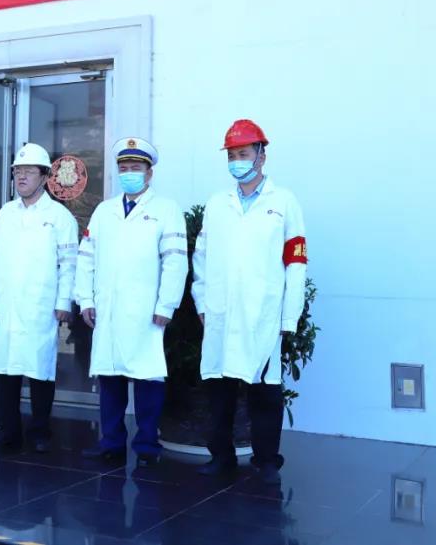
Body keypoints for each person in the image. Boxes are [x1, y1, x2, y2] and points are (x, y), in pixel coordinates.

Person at [193, 119, 307, 485]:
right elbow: (202, 257)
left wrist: (289, 317)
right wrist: (202, 302)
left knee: (264, 391)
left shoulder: (283, 202)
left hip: (263, 313)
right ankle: (221, 457)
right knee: (219, 389)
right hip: (221, 312)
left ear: (262, 155)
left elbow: (296, 263)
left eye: (243, 153)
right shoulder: (217, 203)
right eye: (232, 155)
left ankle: (266, 460)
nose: (237, 161)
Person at [76, 137, 187, 467]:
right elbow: (86, 258)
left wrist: (166, 305)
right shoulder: (104, 211)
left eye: (135, 168)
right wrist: (85, 299)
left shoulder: (165, 210)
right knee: (110, 376)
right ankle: (110, 442)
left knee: (148, 377)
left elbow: (175, 260)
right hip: (108, 308)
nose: (129, 174)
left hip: (145, 310)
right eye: (123, 168)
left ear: (149, 173)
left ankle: (147, 445)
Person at [0, 143, 78, 453]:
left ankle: (40, 432)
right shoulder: (5, 214)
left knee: (40, 370)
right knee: (6, 369)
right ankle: (7, 430)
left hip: (41, 305)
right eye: (17, 172)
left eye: (28, 171)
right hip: (8, 304)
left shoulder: (59, 217)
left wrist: (63, 302)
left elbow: (69, 264)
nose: (21, 177)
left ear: (45, 176)